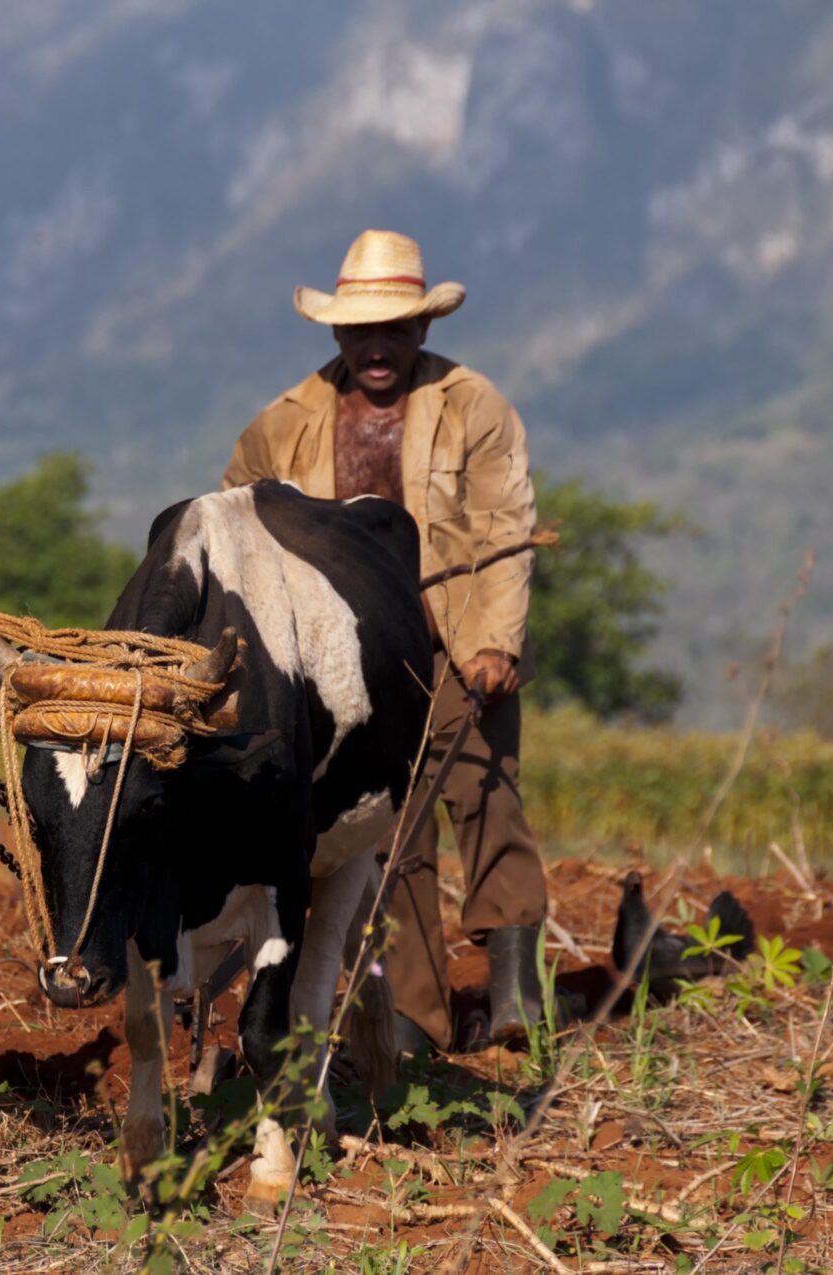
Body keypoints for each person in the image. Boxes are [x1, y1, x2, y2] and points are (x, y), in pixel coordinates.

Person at [222, 228, 547, 1048]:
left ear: (423, 331)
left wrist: (497, 643)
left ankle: (516, 999)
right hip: (354, 667)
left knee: (486, 796)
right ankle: (415, 1018)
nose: (376, 347)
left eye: (393, 329)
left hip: (458, 638)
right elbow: (238, 530)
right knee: (390, 833)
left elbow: (507, 528)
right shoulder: (283, 425)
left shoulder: (474, 406)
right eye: (361, 330)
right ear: (337, 332)